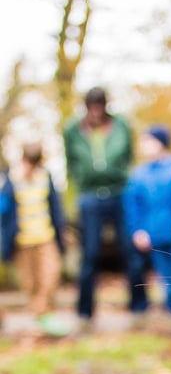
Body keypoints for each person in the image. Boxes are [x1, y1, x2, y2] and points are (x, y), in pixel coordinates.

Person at [63, 86, 146, 323]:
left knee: (129, 251)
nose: (96, 112)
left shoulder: (121, 126)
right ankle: (84, 311)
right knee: (89, 254)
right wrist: (80, 182)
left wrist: (122, 174)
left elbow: (129, 155)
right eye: (92, 107)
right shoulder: (73, 129)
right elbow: (71, 161)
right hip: (89, 195)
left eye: (100, 106)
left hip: (119, 192)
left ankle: (139, 306)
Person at [123, 125, 171, 316]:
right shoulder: (138, 174)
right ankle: (170, 314)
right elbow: (133, 205)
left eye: (148, 141)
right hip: (153, 234)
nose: (144, 146)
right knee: (164, 278)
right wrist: (137, 230)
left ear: (160, 143)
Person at [0, 142, 66, 325]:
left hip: (46, 237)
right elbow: (4, 211)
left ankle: (43, 314)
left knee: (51, 276)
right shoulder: (10, 179)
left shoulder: (45, 177)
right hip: (22, 241)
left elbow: (56, 209)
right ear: (23, 160)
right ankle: (42, 318)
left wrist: (62, 235)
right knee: (30, 283)